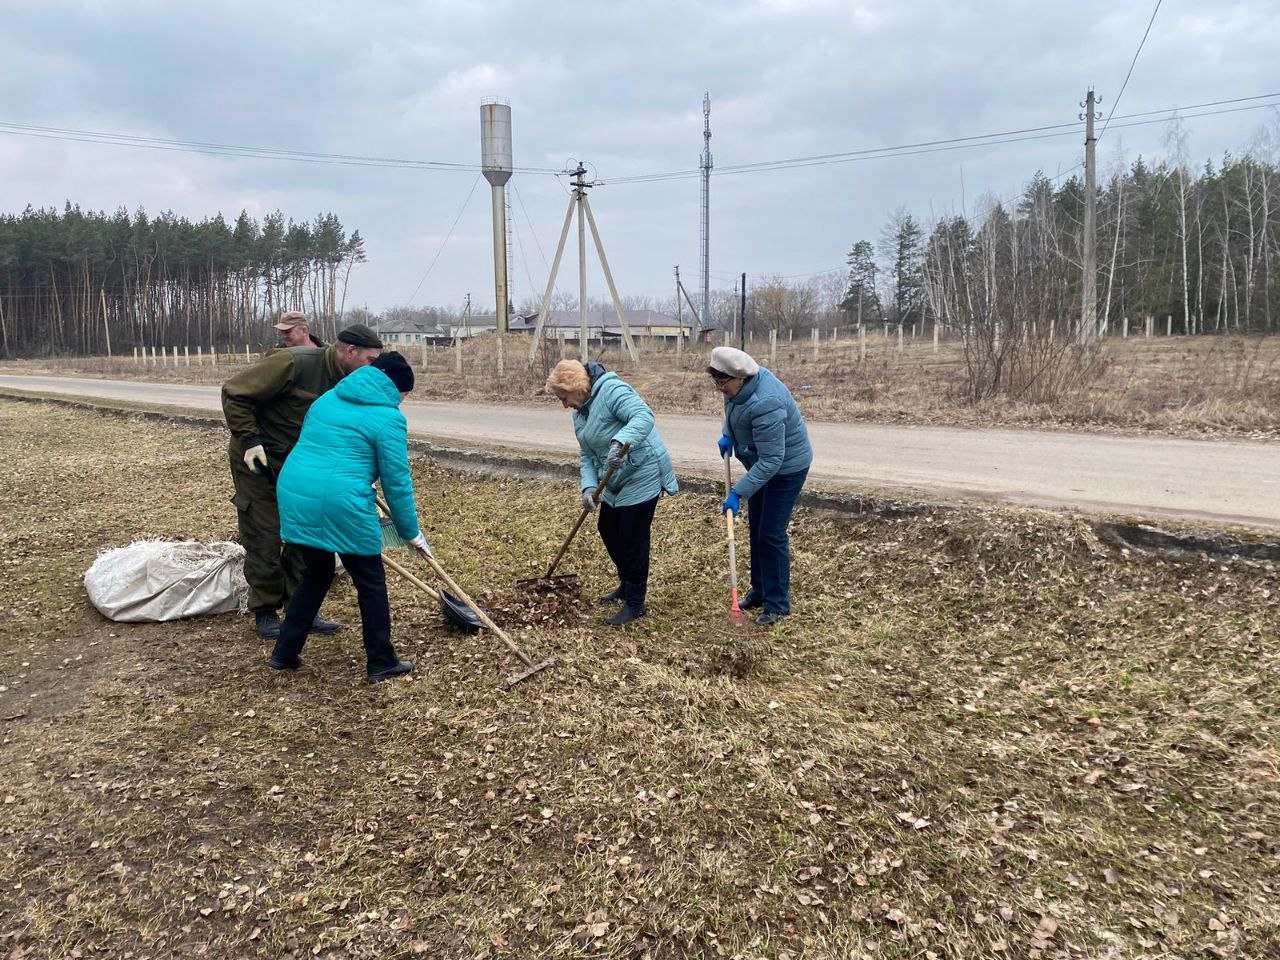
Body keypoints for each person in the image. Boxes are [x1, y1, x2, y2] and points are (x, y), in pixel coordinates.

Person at [268, 351, 425, 683]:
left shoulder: (329, 398)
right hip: (339, 502)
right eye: (404, 395)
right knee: (370, 580)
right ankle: (382, 662)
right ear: (394, 388)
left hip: (297, 491)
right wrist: (410, 532)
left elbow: (330, 449)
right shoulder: (388, 418)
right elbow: (396, 482)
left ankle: (284, 652)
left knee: (317, 571)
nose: (402, 402)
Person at [221, 323, 383, 638]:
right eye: (370, 360)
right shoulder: (293, 362)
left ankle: (301, 609)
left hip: (303, 468)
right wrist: (250, 439)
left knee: (305, 536)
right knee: (265, 532)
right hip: (259, 460)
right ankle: (265, 610)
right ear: (349, 351)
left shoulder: (351, 383)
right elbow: (235, 393)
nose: (374, 368)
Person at [545, 359, 678, 625]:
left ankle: (636, 603)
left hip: (641, 471)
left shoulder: (612, 390)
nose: (564, 404)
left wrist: (620, 441)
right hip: (614, 478)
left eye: (564, 397)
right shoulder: (580, 412)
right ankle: (626, 584)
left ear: (578, 387)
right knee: (608, 528)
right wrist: (589, 486)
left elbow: (644, 416)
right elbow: (586, 452)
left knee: (632, 538)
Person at [709, 346, 812, 626]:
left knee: (771, 532)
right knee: (757, 525)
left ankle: (777, 604)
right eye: (715, 382)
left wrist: (738, 492)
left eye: (723, 383)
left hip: (786, 468)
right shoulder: (735, 389)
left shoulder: (767, 400)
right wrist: (727, 435)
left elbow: (772, 461)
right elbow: (731, 410)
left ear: (740, 378)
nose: (719, 389)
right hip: (761, 465)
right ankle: (760, 590)